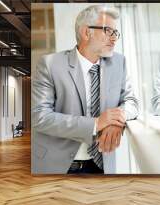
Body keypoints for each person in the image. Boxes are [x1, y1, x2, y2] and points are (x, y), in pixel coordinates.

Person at [31, 5, 138, 174]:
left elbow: (131, 101)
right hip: (61, 165)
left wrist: (118, 119)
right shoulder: (50, 64)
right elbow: (40, 117)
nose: (114, 38)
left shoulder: (119, 62)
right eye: (108, 31)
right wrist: (96, 124)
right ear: (86, 32)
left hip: (103, 164)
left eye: (115, 33)